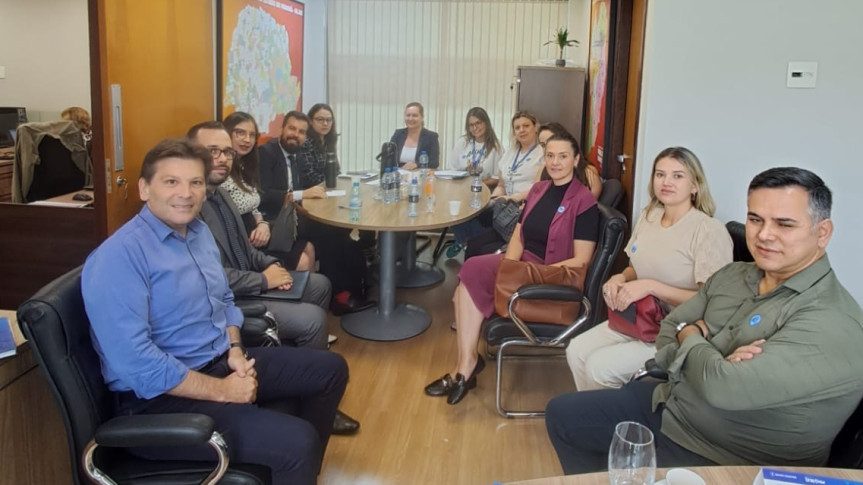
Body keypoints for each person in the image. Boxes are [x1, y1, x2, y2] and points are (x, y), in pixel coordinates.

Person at [546, 167, 863, 474]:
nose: (765, 235)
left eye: (784, 224)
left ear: (822, 233)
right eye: (755, 219)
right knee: (562, 415)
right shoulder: (735, 275)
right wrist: (706, 350)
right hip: (672, 404)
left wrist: (694, 335)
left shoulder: (832, 320)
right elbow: (669, 330)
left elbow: (722, 387)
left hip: (727, 456)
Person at [81, 138, 348, 484]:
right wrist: (224, 391)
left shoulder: (199, 233)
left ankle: (288, 467)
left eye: (195, 183)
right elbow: (137, 365)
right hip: (160, 402)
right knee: (297, 443)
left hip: (220, 360)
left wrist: (235, 350)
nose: (186, 193)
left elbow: (223, 302)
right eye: (171, 182)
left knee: (331, 370)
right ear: (145, 189)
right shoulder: (118, 257)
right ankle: (291, 459)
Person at [189, 121, 360, 435]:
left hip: (252, 278)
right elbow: (213, 280)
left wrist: (271, 266)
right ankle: (314, 400)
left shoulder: (223, 196)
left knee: (320, 284)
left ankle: (297, 374)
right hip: (238, 297)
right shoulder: (191, 208)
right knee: (312, 320)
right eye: (213, 151)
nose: (223, 158)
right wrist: (264, 281)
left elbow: (246, 249)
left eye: (226, 152)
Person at [424, 133, 600, 405]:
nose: (555, 162)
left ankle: (464, 370)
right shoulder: (540, 190)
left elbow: (582, 261)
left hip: (551, 276)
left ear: (576, 160)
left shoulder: (584, 201)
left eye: (563, 156)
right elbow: (519, 235)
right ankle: (466, 364)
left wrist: (530, 273)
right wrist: (510, 267)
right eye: (550, 156)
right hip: (524, 265)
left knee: (467, 281)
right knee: (470, 273)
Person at [566, 147, 732, 390]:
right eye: (660, 174)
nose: (666, 182)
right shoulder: (650, 216)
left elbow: (713, 301)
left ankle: (611, 422)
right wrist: (619, 277)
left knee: (599, 368)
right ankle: (592, 421)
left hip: (675, 330)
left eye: (678, 176)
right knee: (576, 350)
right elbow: (635, 265)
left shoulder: (708, 230)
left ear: (695, 185)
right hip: (637, 318)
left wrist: (651, 287)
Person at [259, 110, 375, 315]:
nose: (296, 135)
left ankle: (358, 287)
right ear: (282, 129)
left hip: (294, 215)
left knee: (341, 231)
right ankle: (340, 296)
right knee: (330, 234)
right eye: (292, 129)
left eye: (302, 132)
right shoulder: (267, 153)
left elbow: (299, 190)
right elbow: (265, 195)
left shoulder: (296, 156)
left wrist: (302, 200)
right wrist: (300, 195)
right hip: (274, 222)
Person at [464, 111, 545, 259]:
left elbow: (539, 189)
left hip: (523, 208)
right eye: (517, 127)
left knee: (481, 247)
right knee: (472, 238)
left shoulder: (543, 155)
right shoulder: (511, 153)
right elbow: (501, 185)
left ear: (536, 127)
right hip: (505, 206)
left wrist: (513, 198)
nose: (521, 130)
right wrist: (494, 199)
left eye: (526, 126)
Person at [446, 107, 504, 257]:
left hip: (482, 190)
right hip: (460, 187)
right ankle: (467, 241)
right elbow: (452, 168)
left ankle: (466, 241)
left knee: (469, 207)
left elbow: (497, 179)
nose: (475, 128)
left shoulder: (496, 147)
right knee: (453, 206)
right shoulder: (463, 142)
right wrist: (466, 171)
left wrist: (478, 180)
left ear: (486, 123)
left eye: (478, 123)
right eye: (471, 125)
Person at [221, 111, 270, 248]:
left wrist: (262, 224)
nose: (247, 140)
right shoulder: (219, 171)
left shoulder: (245, 166)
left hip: (257, 237)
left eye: (252, 135)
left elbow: (253, 207)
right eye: (240, 133)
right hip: (238, 245)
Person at [538, 122, 601, 198]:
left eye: (552, 140)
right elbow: (534, 197)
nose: (547, 148)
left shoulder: (588, 173)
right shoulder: (543, 170)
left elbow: (587, 205)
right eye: (543, 145)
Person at [390, 102, 440, 170]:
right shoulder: (398, 134)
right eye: (408, 115)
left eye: (415, 115)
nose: (410, 119)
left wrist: (416, 164)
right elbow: (389, 158)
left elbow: (434, 163)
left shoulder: (431, 137)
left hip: (422, 176)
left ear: (422, 117)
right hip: (399, 175)